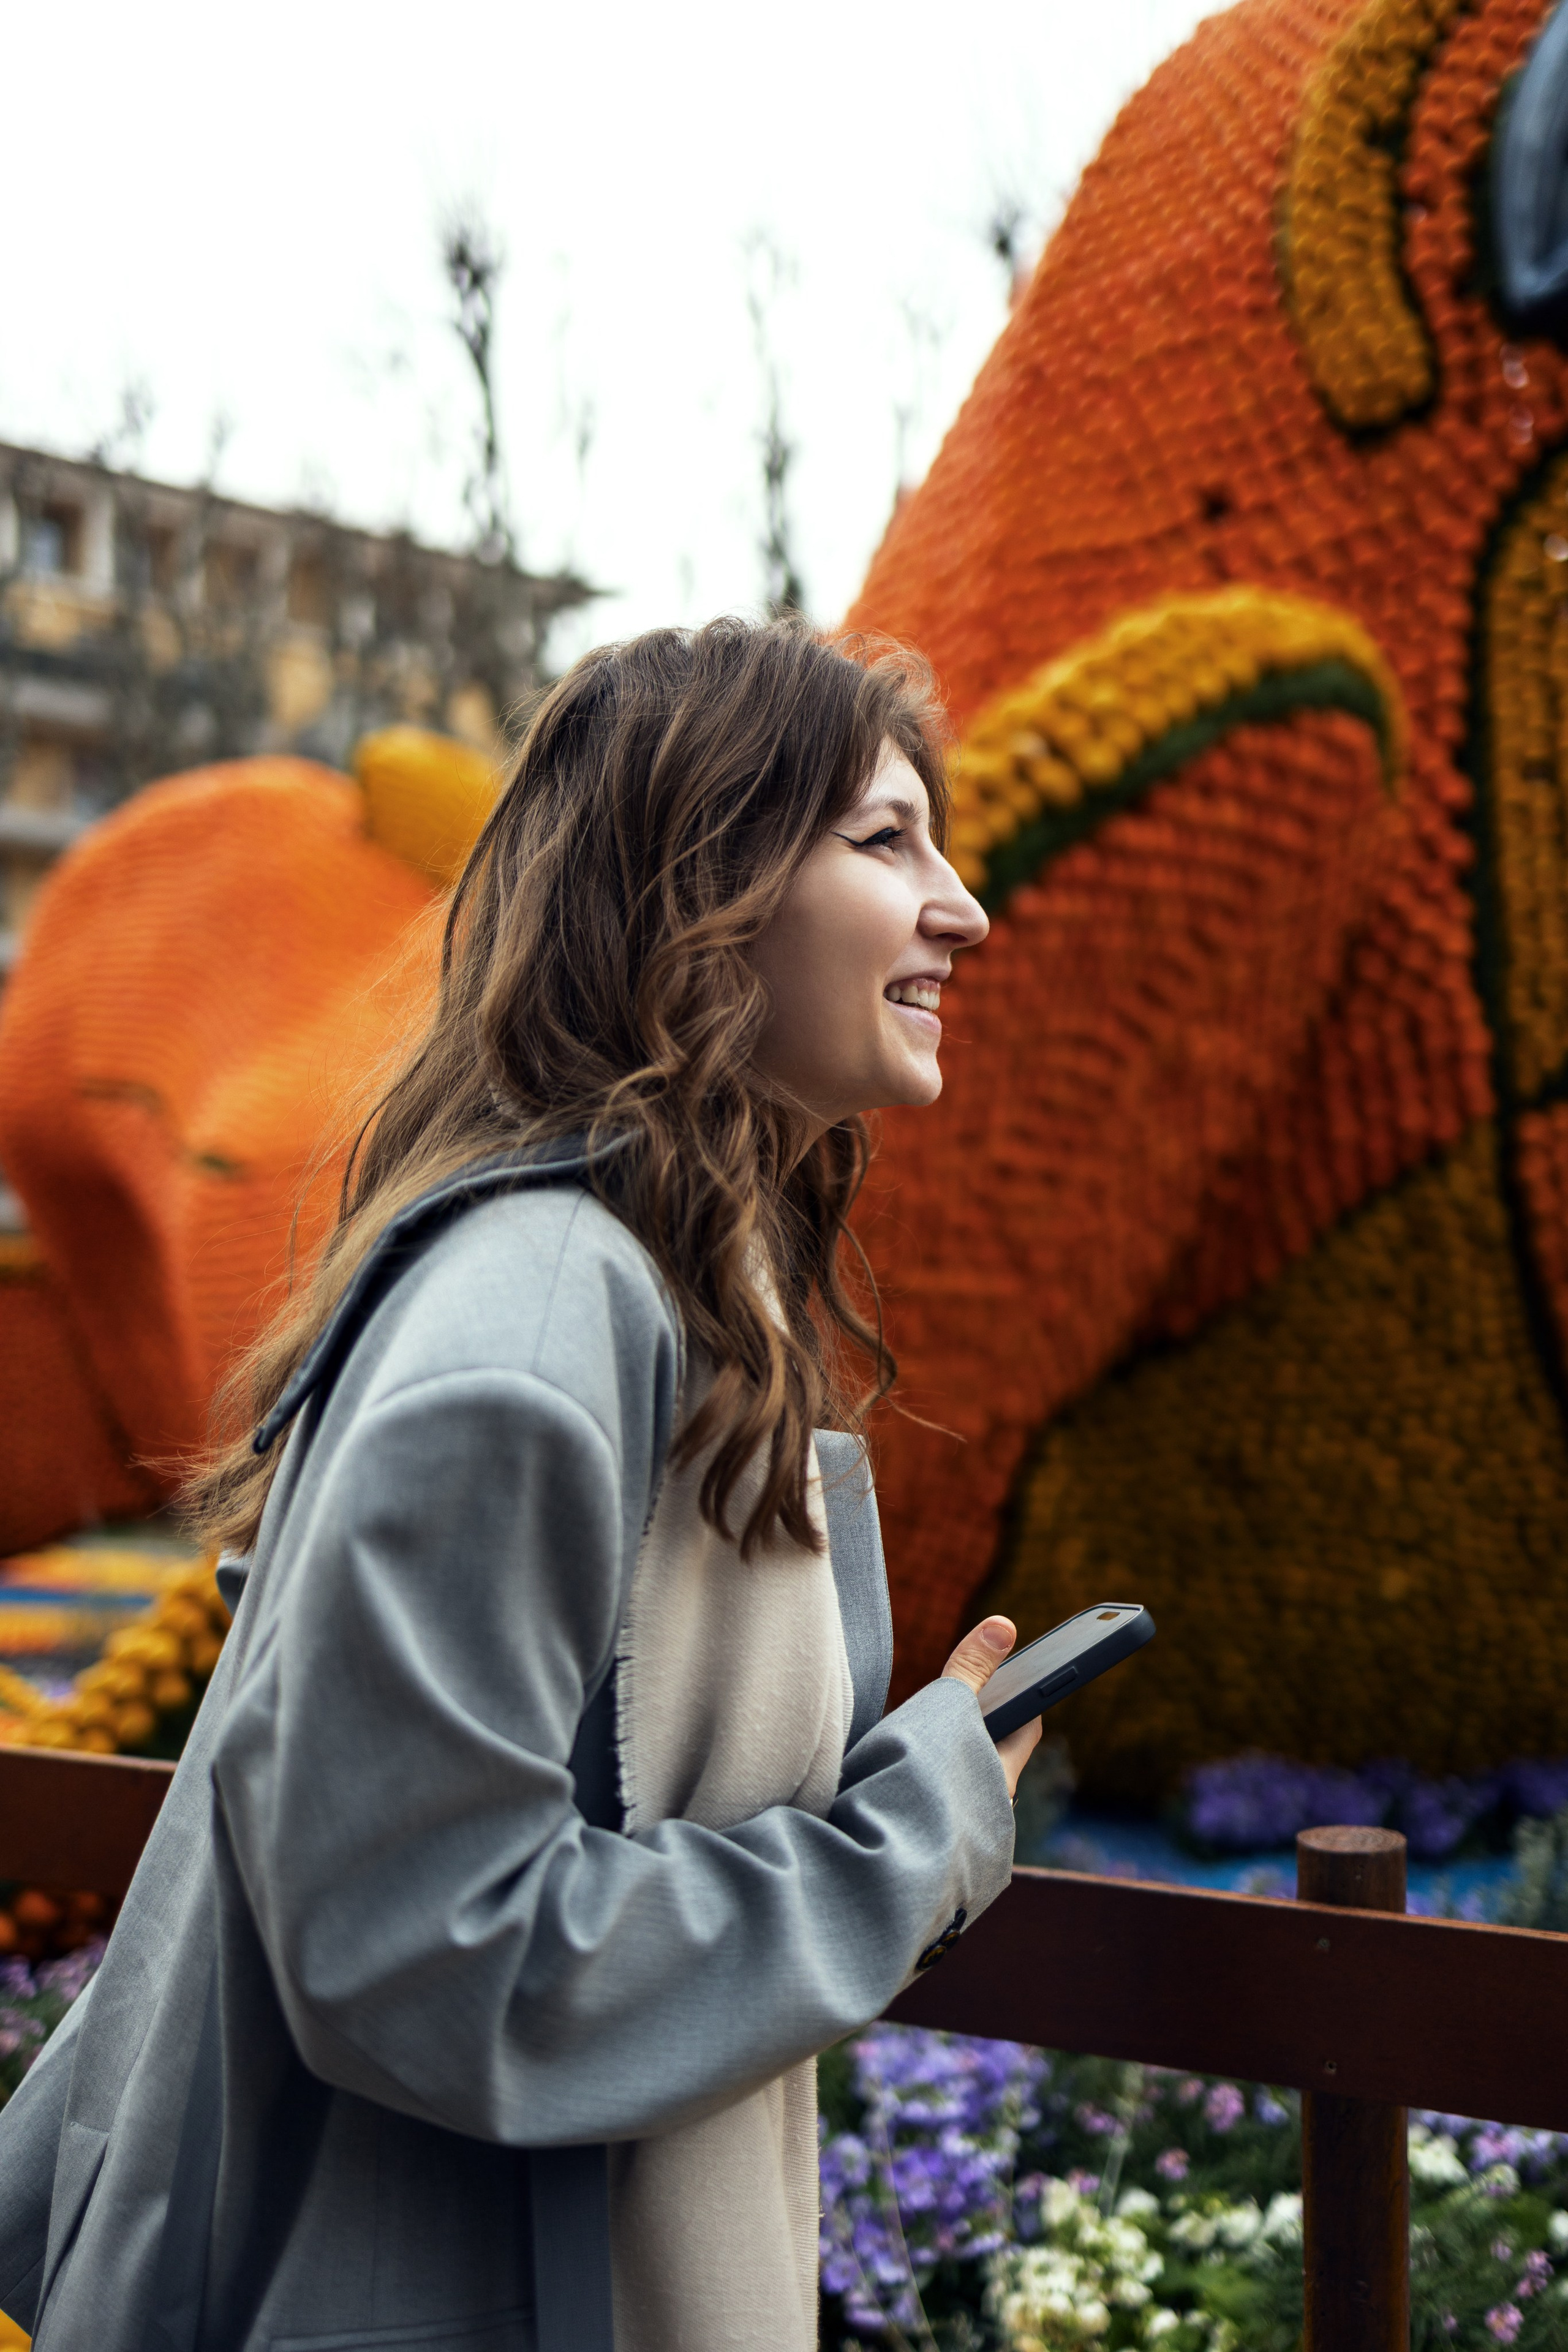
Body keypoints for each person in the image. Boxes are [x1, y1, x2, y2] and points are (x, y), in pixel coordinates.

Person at [0, 617, 1041, 2352]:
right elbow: (428, 1947)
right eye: (883, 839)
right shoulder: (541, 1317)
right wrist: (912, 1842)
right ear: (698, 886)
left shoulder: (685, 1301)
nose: (964, 905)